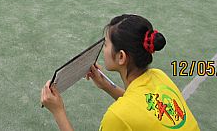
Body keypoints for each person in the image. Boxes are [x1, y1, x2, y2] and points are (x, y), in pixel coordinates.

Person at [41, 14, 199, 130]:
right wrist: (106, 85)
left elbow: (129, 113)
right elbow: (140, 108)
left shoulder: (117, 117)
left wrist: (58, 111)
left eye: (106, 45)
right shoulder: (159, 76)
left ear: (121, 57)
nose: (103, 49)